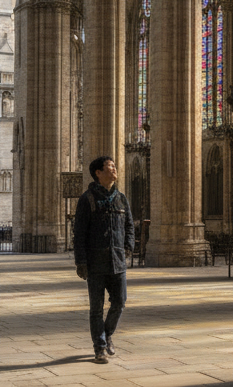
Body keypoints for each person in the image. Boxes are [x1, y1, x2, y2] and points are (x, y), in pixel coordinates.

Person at [73, 155, 135, 364]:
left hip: (117, 261)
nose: (114, 169)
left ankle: (107, 334)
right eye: (109, 166)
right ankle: (99, 347)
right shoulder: (87, 199)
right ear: (98, 173)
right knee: (96, 308)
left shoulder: (121, 198)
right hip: (95, 262)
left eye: (114, 166)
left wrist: (128, 247)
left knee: (120, 302)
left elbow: (129, 226)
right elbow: (79, 232)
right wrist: (81, 261)